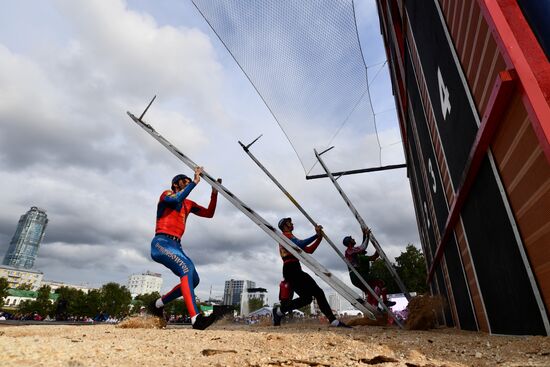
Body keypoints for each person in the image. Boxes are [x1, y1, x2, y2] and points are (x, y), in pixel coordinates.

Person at [148, 166, 221, 330]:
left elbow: (209, 213)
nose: (187, 182)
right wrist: (194, 182)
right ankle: (196, 319)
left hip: (176, 245)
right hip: (162, 242)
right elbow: (174, 200)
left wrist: (214, 193)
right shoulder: (166, 194)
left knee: (194, 279)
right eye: (184, 181)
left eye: (189, 181)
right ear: (175, 184)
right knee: (186, 269)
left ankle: (158, 304)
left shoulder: (188, 203)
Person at [272, 217, 350, 328]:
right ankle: (333, 321)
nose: (292, 223)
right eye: (290, 222)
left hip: (294, 269)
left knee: (307, 299)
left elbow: (309, 250)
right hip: (291, 269)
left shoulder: (291, 237)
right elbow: (301, 244)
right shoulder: (285, 236)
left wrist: (319, 238)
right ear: (285, 225)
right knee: (318, 292)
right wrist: (316, 235)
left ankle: (279, 312)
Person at [343, 228, 396, 308]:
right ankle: (378, 304)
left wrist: (364, 235)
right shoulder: (352, 252)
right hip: (357, 275)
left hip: (355, 277)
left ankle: (371, 306)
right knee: (379, 283)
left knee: (370, 291)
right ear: (349, 243)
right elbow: (363, 247)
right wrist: (368, 236)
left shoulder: (352, 252)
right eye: (352, 239)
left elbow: (362, 247)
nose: (353, 239)